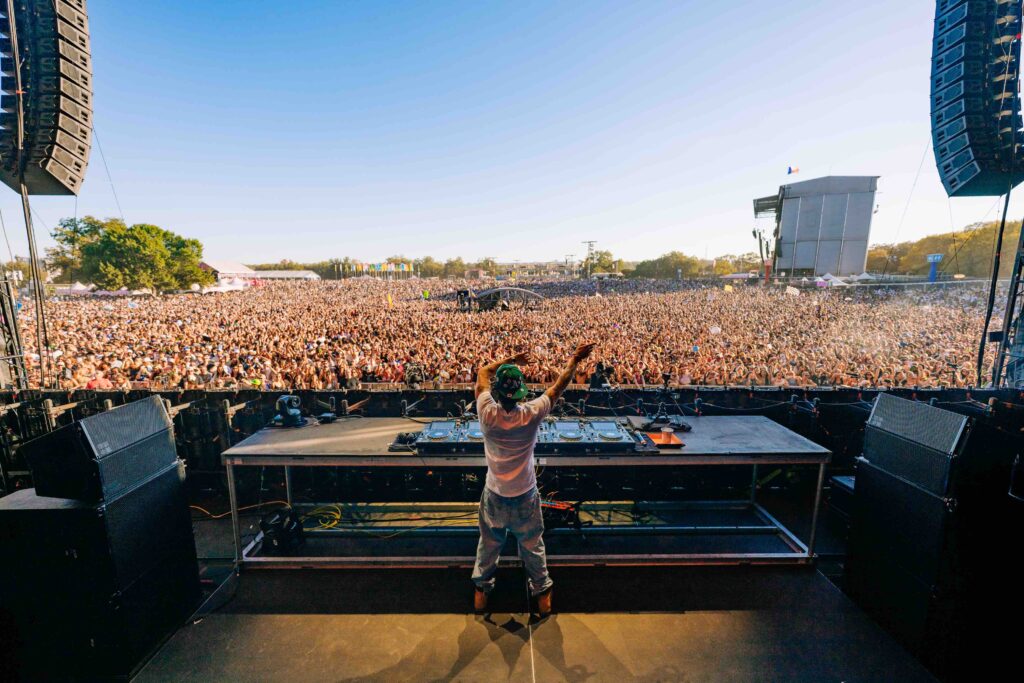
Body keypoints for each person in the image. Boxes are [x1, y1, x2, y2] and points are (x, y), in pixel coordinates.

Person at [471, 341, 596, 615]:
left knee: (489, 545)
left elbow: (482, 372)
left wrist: (510, 360)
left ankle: (481, 594)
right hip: (525, 494)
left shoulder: (486, 411)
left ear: (496, 392)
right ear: (521, 394)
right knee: (532, 546)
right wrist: (575, 359)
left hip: (494, 493)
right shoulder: (531, 414)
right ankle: (542, 597)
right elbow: (558, 386)